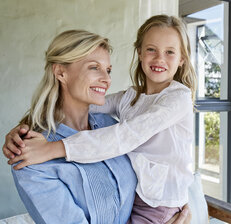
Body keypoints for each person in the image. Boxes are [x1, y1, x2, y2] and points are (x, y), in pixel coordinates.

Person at [3, 29, 191, 224]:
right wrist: (27, 127)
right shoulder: (30, 157)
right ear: (60, 72)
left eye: (108, 70)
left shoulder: (110, 127)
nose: (107, 79)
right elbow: (52, 106)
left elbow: (134, 141)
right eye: (94, 67)